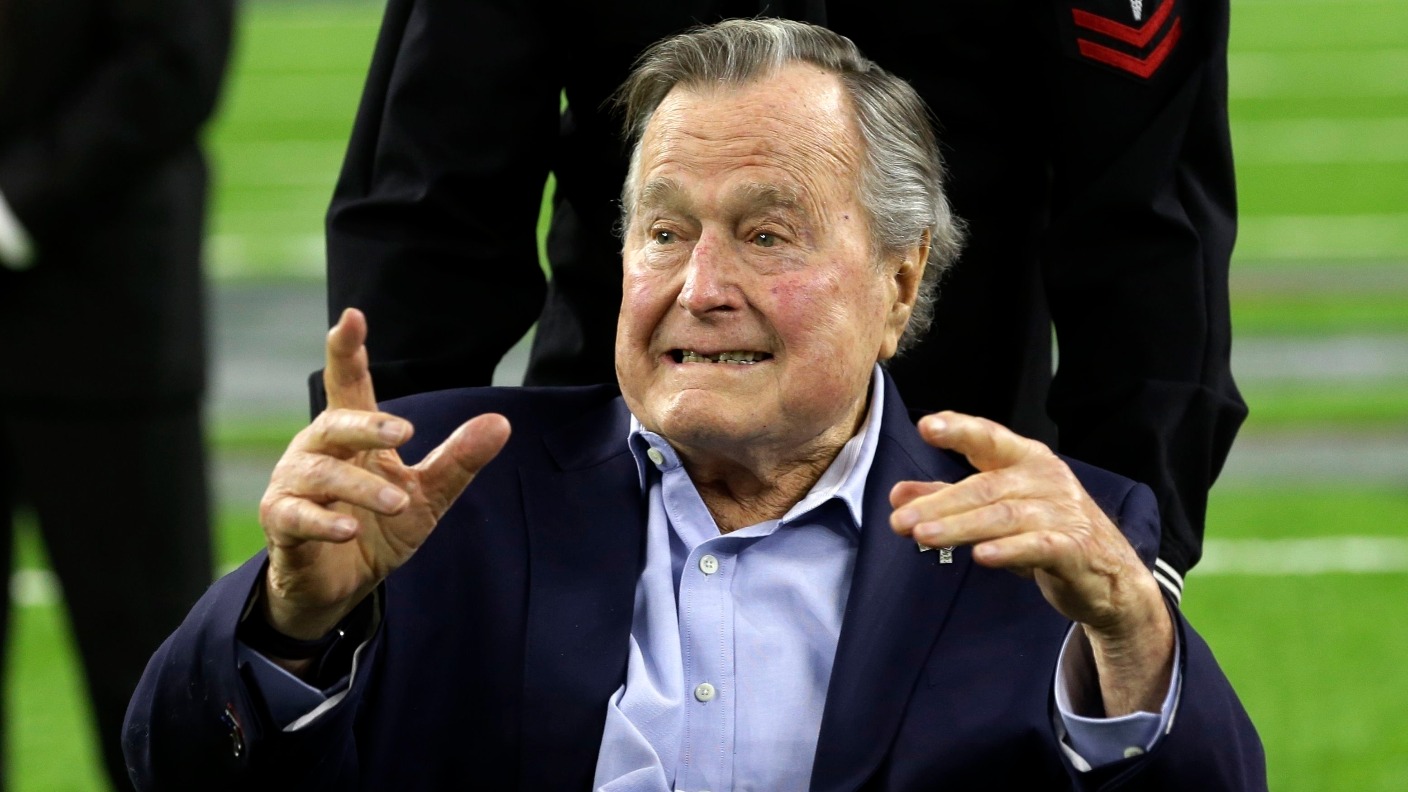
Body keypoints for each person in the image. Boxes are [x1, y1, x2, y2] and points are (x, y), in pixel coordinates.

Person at [128, 20, 1262, 791]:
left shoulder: (1045, 562)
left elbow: (1151, 211)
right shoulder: (441, 519)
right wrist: (299, 622)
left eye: (766, 235)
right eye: (665, 232)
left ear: (901, 280)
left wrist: (1134, 627)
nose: (701, 287)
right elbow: (178, 765)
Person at [321, 0, 1245, 601]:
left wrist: (1134, 539)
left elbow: (1147, 217)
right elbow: (429, 195)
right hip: (608, 456)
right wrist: (390, 502)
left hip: (959, 476)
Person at [0, 0, 234, 788]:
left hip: (103, 325)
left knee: (150, 673)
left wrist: (16, 202)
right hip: (101, 317)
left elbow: (174, 57)